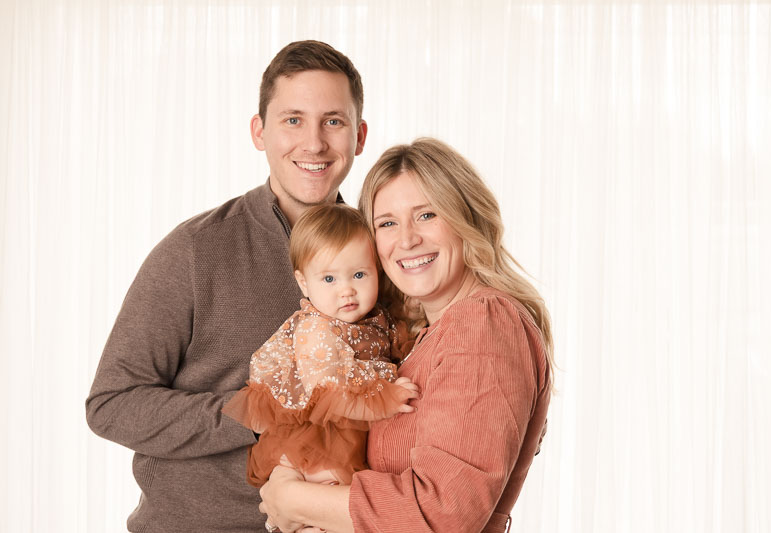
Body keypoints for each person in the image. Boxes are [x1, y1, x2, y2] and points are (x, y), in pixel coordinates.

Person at [85, 40, 368, 533]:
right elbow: (112, 404)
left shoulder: (383, 255)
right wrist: (256, 411)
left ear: (359, 135)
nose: (314, 143)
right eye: (293, 119)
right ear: (259, 132)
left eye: (334, 121)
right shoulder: (195, 250)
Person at [257, 137, 554, 533]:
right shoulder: (423, 336)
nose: (407, 239)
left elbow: (445, 511)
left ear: (467, 218)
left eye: (427, 215)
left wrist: (296, 500)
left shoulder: (483, 322)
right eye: (387, 223)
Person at [221, 204, 419, 490]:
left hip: (354, 432)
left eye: (359, 275)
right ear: (303, 283)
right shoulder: (316, 329)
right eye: (329, 279)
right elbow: (332, 397)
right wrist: (388, 401)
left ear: (378, 270)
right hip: (320, 437)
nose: (346, 290)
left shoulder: (377, 317)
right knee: (326, 487)